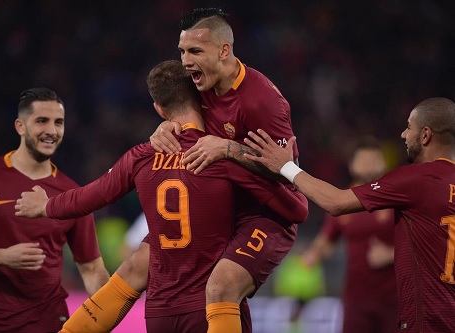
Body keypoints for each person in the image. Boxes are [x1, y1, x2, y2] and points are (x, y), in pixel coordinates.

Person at [15, 60, 308, 333]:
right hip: (210, 313)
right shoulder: (219, 155)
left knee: (133, 268)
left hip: (158, 314)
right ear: (203, 99)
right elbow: (293, 208)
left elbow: (88, 197)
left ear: (159, 109)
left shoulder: (141, 157)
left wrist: (46, 206)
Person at [144, 8, 303, 332]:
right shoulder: (198, 87)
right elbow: (181, 115)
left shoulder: (261, 101)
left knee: (221, 287)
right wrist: (166, 126)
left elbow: (288, 172)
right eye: (183, 51)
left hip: (266, 212)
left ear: (224, 50)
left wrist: (228, 148)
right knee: (137, 264)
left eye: (195, 51)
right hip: (222, 206)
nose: (186, 61)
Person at [243, 97, 455, 332]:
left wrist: (286, 166)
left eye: (409, 128)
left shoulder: (414, 180)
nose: (404, 135)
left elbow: (335, 202)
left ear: (425, 135)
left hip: (423, 317)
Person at [0, 87, 110, 333]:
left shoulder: (72, 194)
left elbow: (91, 269)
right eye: (42, 121)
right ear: (20, 126)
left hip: (50, 322)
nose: (51, 131)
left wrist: (110, 315)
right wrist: (2, 257)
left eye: (58, 122)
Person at [301, 137, 397, 333]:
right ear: (352, 164)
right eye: (364, 160)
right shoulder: (341, 200)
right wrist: (314, 254)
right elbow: (328, 238)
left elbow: (422, 239)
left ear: (384, 163)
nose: (369, 166)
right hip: (356, 299)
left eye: (374, 160)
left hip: (395, 298)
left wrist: (391, 253)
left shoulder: (396, 196)